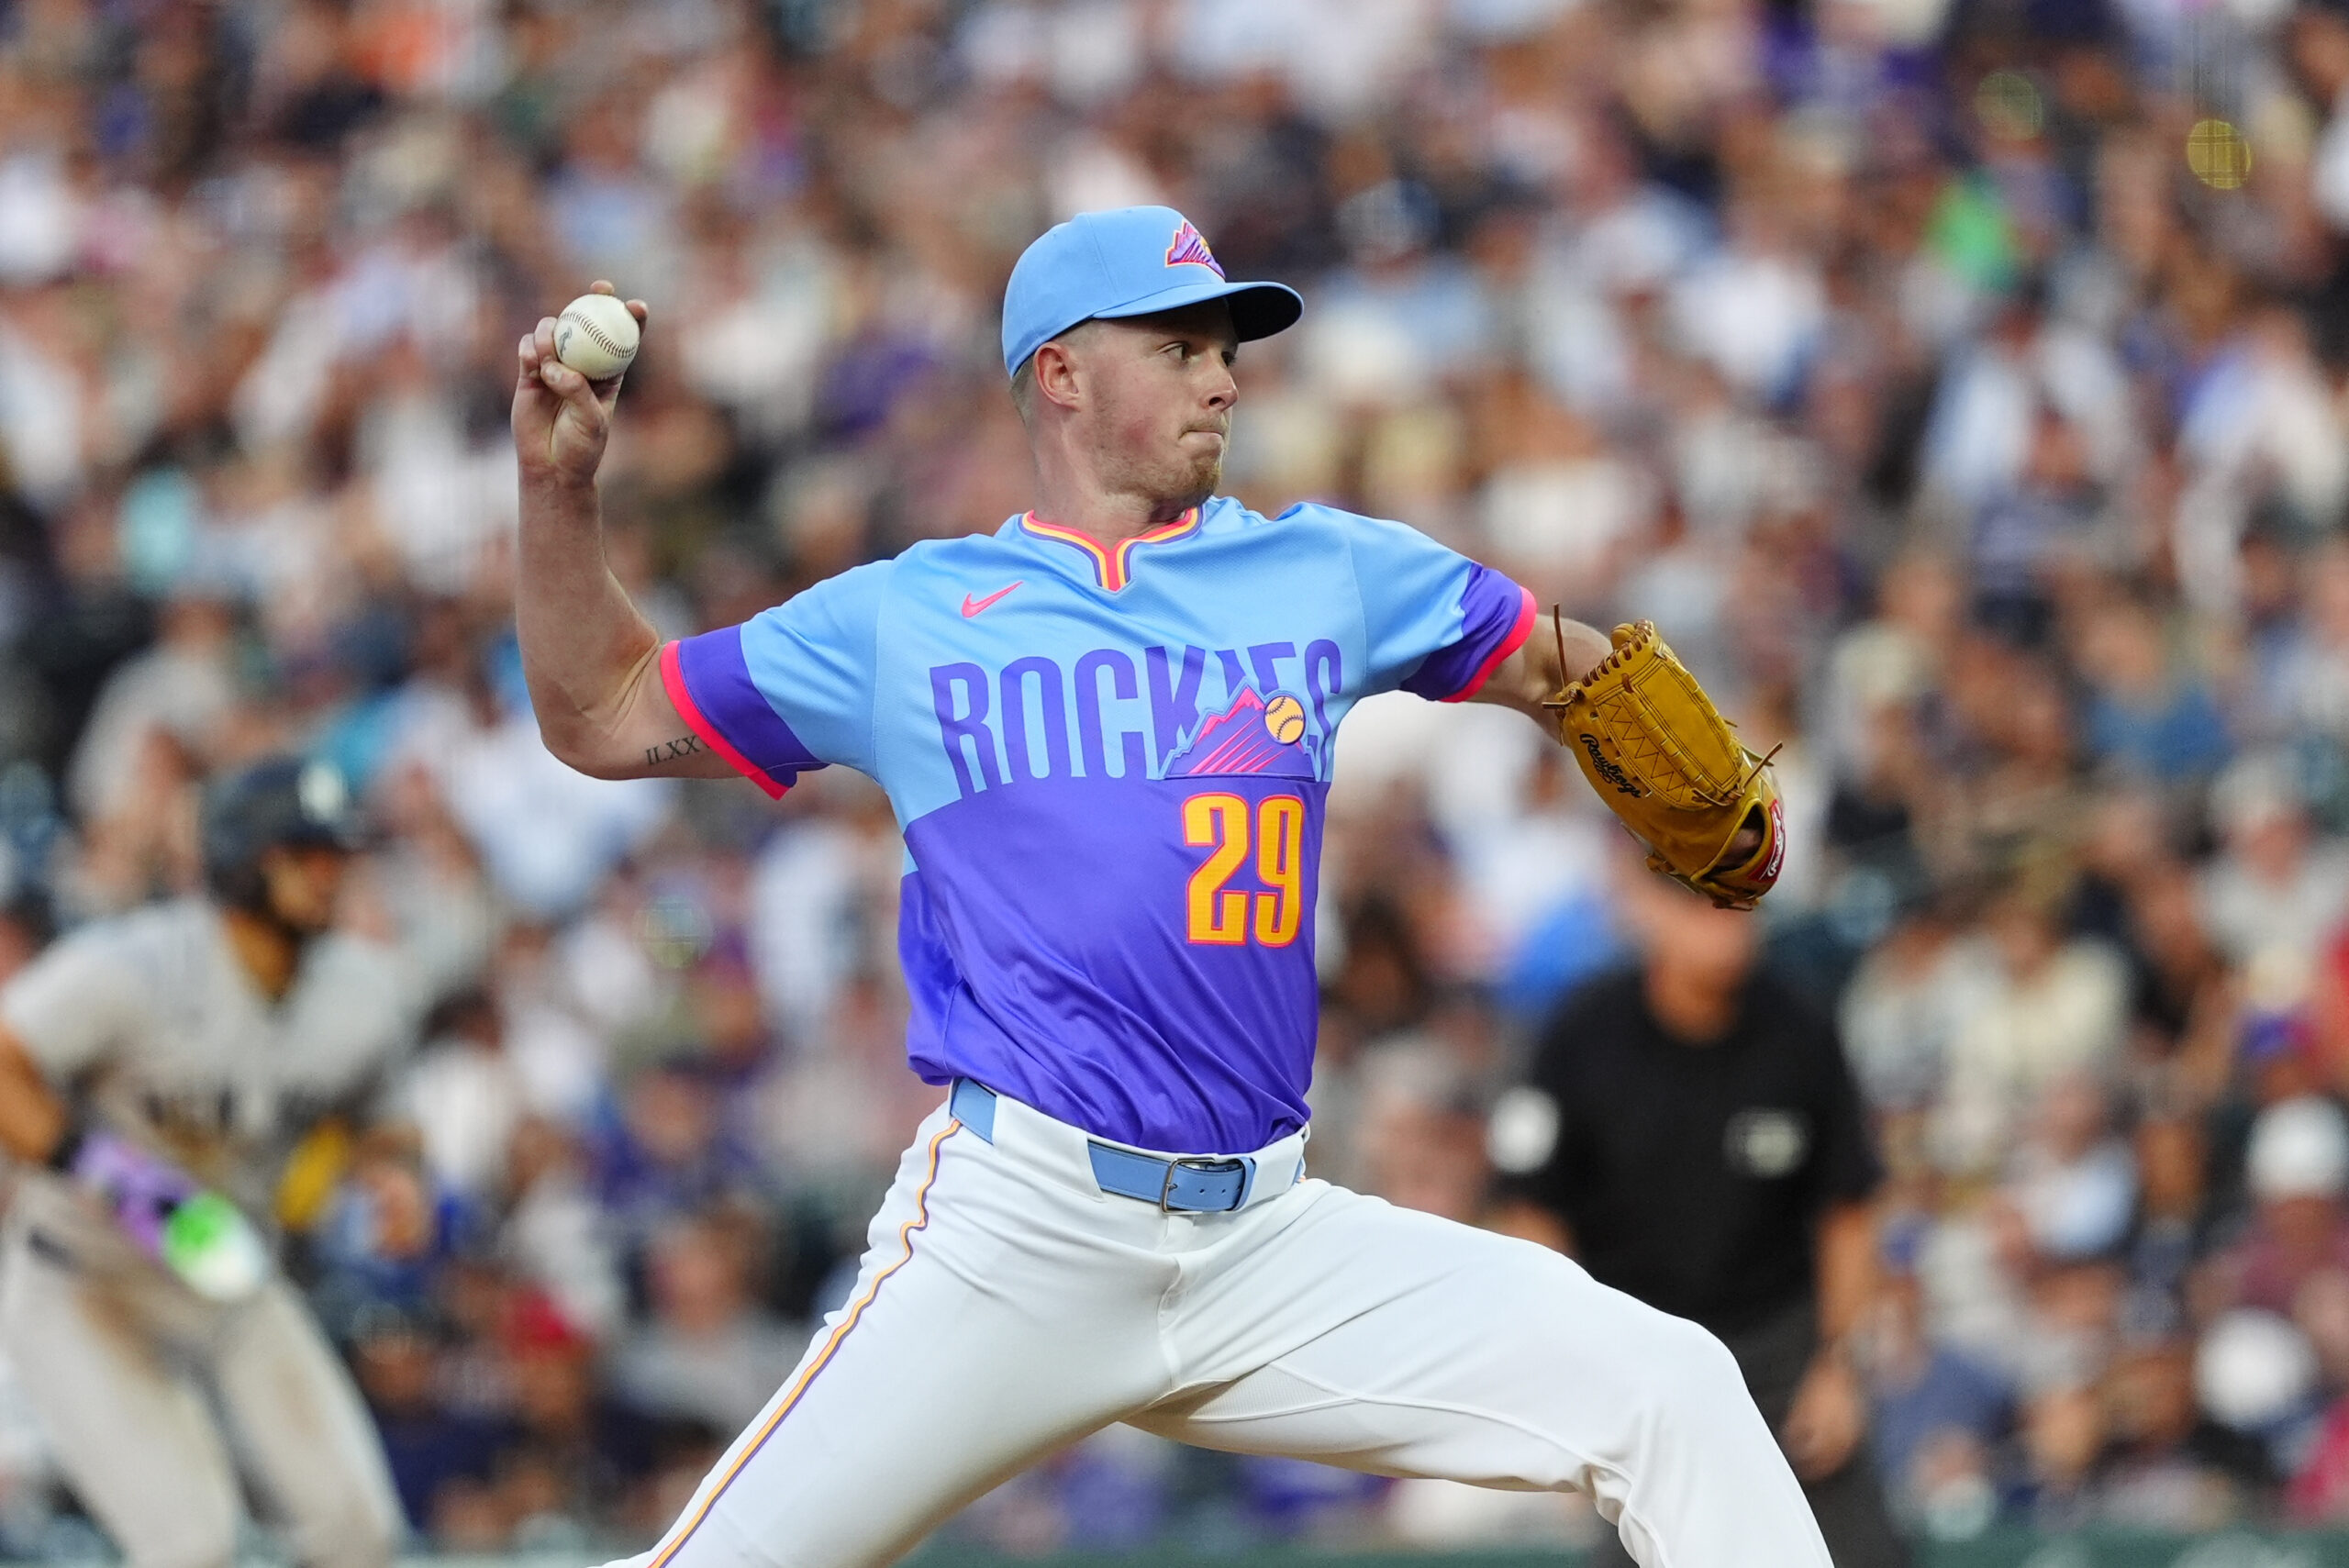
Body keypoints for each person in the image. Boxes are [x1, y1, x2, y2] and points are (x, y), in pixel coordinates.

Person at [511, 206, 1828, 1568]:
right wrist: (558, 495)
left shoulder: (1323, 570)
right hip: (1019, 1234)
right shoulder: (905, 617)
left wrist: (1644, 719)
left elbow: (1557, 663)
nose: (1224, 376)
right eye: (1182, 343)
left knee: (1669, 1389)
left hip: (1266, 1240)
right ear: (1063, 373)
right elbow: (603, 712)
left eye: (1228, 349)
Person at [0, 757, 416, 1568]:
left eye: (337, 853)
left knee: (361, 1537)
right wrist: (98, 1166)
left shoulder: (362, 988)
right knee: (192, 1548)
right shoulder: (141, 964)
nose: (333, 872)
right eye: (306, 852)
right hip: (85, 1277)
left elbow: (382, 1116)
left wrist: (402, 1173)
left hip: (231, 1273)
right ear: (244, 859)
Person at [1491, 868, 1906, 1565]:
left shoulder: (1798, 1028)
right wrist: (1578, 1360)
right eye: (1701, 903)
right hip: (1639, 1352)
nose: (1725, 923)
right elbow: (1528, 1209)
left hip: (1778, 1354)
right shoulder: (1581, 1034)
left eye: (1741, 904)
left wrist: (1839, 1365)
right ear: (1646, 907)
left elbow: (1849, 1210)